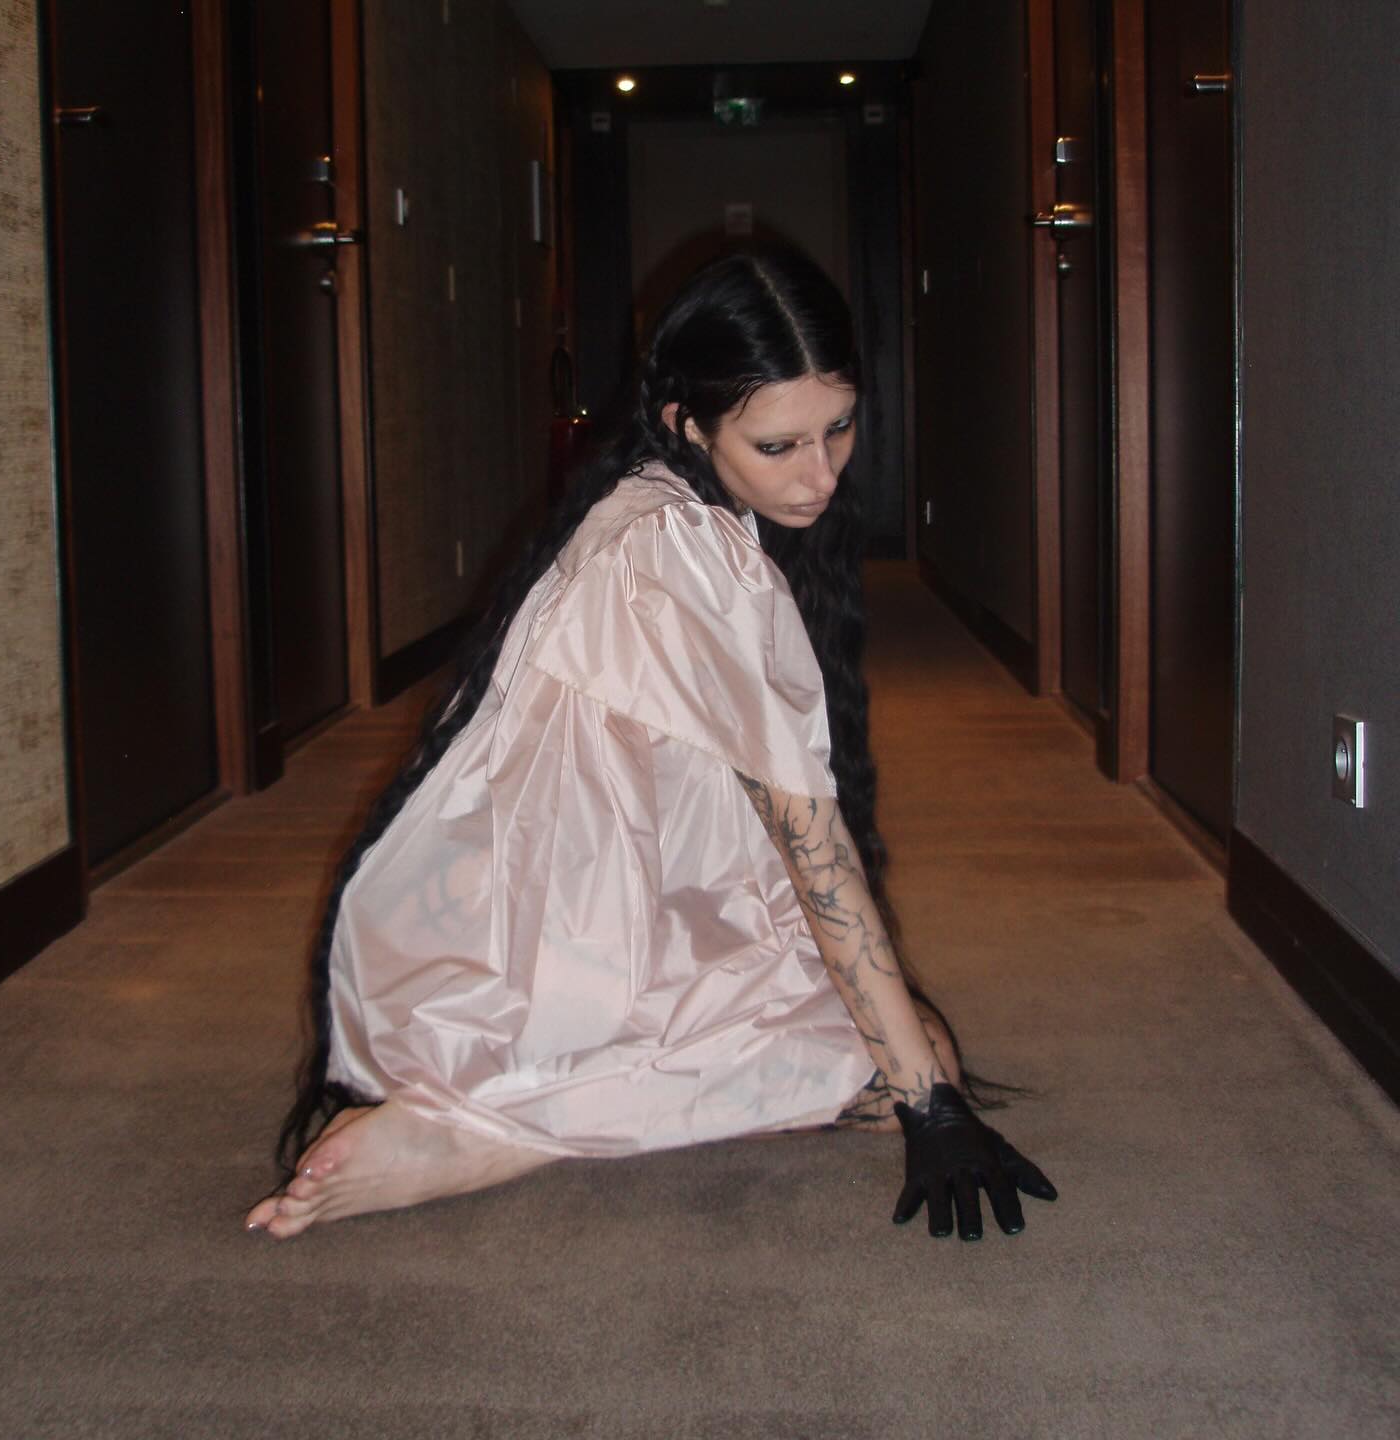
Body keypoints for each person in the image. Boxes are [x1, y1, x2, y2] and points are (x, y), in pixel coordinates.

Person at [245, 247, 1056, 1242]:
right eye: (779, 445)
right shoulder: (684, 549)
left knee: (895, 1040)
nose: (820, 475)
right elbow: (809, 841)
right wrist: (930, 1103)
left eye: (838, 428)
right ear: (686, 422)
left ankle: (503, 1113)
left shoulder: (649, 498)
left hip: (561, 911)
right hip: (563, 945)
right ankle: (493, 1134)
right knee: (908, 1063)